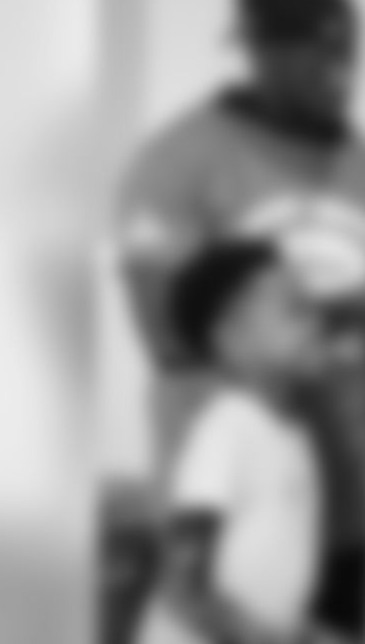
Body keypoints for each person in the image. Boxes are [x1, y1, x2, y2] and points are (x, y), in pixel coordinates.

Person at [113, 0, 365, 642]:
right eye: (316, 54)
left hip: (344, 523)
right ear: (257, 50)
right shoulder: (174, 165)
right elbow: (168, 338)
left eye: (347, 51)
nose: (340, 71)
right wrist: (354, 306)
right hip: (226, 526)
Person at [137, 238, 340, 644]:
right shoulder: (227, 432)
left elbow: (269, 589)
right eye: (296, 310)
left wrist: (307, 633)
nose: (318, 323)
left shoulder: (294, 434)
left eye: (315, 308)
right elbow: (184, 590)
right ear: (232, 339)